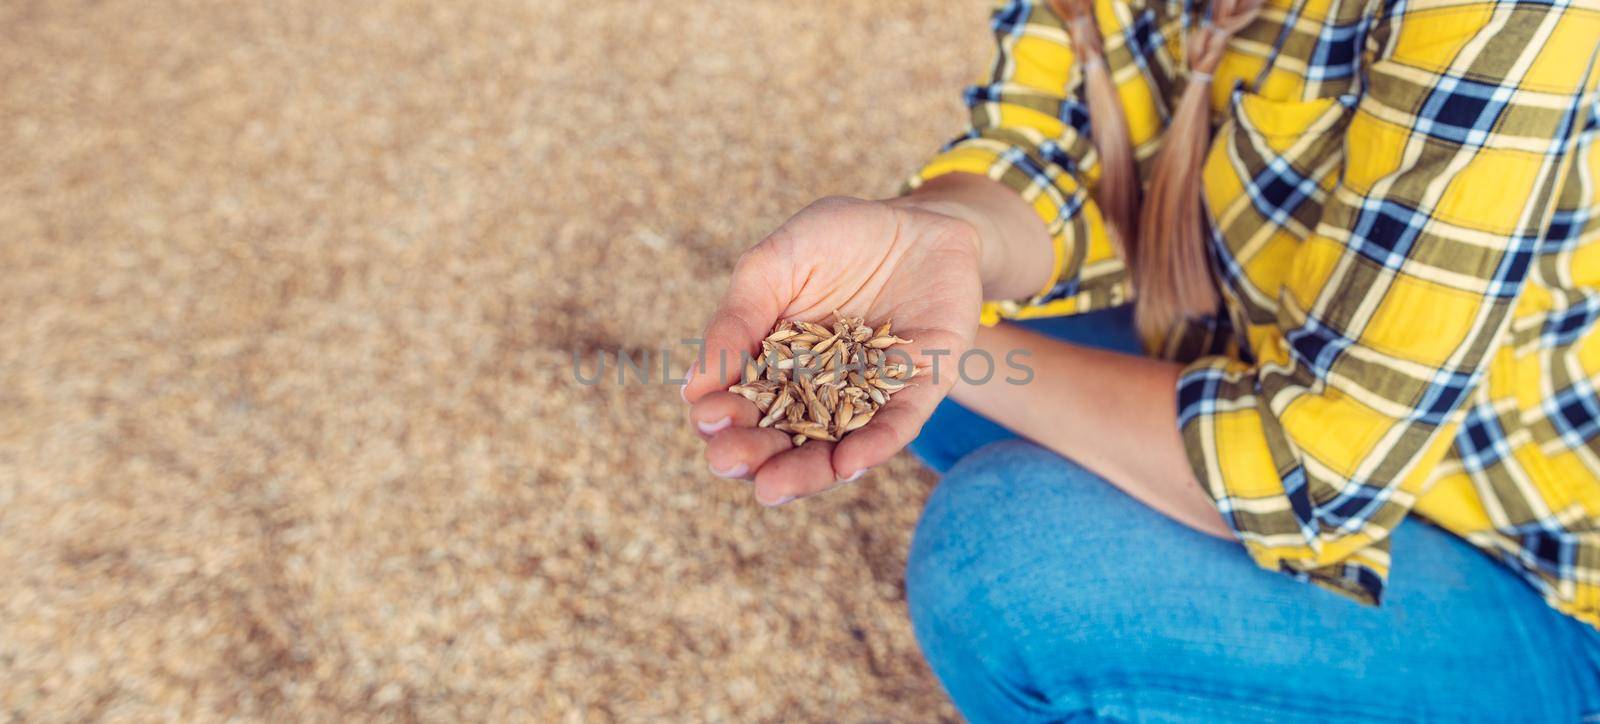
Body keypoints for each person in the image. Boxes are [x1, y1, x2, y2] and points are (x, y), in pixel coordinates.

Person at [682, 0, 1600, 718]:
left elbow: (1320, 468)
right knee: (914, 330)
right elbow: (1054, 147)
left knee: (1003, 563)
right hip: (1272, 362)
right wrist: (940, 236)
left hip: (1527, 560)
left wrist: (960, 347)